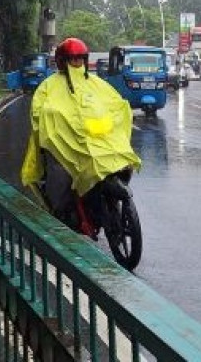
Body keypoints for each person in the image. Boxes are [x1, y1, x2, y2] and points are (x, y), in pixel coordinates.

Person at [19, 37, 141, 234]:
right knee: (62, 174)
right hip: (65, 144)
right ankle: (62, 212)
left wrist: (121, 114)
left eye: (80, 59)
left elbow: (114, 103)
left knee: (120, 158)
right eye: (72, 59)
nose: (77, 63)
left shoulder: (96, 84)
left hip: (97, 141)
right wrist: (55, 120)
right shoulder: (49, 86)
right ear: (63, 61)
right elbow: (38, 112)